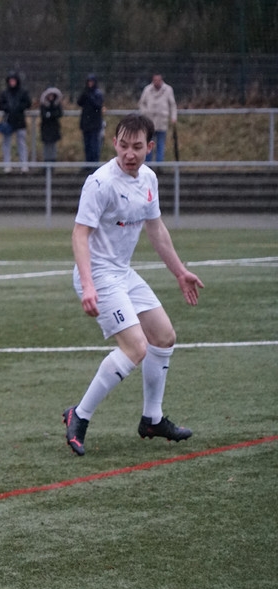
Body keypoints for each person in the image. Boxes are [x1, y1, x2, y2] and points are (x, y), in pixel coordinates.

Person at [63, 113, 204, 456]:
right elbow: (79, 234)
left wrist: (179, 272)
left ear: (150, 147)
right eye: (123, 145)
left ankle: (152, 419)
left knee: (164, 337)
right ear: (114, 143)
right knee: (136, 348)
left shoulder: (149, 179)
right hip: (98, 274)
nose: (129, 153)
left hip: (122, 273)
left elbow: (156, 229)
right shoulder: (100, 183)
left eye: (137, 147)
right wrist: (88, 285)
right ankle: (79, 415)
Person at [138, 73, 177, 163]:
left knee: (160, 144)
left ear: (161, 80)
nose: (156, 82)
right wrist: (145, 113)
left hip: (162, 122)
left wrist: (173, 117)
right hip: (149, 122)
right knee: (148, 144)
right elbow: (141, 103)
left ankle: (159, 165)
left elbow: (172, 105)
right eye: (155, 80)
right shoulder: (147, 89)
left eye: (158, 80)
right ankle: (147, 165)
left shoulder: (168, 90)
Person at [0, 71, 31, 173]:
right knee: (6, 143)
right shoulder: (5, 93)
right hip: (8, 121)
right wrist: (8, 108)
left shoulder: (22, 92)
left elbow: (28, 103)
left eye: (14, 80)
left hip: (20, 120)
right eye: (10, 80)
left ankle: (23, 164)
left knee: (21, 143)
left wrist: (18, 108)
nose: (12, 82)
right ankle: (7, 165)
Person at [77, 74, 105, 165]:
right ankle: (88, 163)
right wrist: (85, 94)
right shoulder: (85, 92)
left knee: (94, 145)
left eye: (91, 82)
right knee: (87, 145)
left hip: (94, 123)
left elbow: (98, 105)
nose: (90, 84)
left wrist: (90, 97)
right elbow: (79, 102)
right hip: (86, 123)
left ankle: (94, 164)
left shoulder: (97, 93)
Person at [39, 87, 64, 162]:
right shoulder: (44, 105)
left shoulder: (56, 105)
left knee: (53, 145)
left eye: (52, 95)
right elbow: (44, 115)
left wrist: (50, 114)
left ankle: (53, 160)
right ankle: (46, 160)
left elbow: (59, 114)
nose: (51, 97)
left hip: (54, 127)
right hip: (46, 128)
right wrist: (51, 114)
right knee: (46, 145)